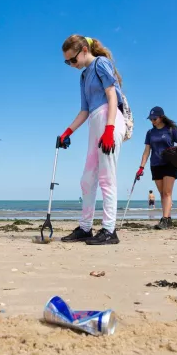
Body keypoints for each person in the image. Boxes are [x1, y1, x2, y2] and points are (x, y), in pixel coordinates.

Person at [59, 35, 127, 245]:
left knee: (107, 177)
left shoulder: (101, 63)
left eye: (72, 60)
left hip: (110, 119)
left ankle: (109, 230)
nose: (71, 65)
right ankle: (85, 228)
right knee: (87, 180)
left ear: (84, 51)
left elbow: (112, 95)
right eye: (67, 62)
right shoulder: (83, 76)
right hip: (95, 122)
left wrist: (109, 129)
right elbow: (84, 110)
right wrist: (67, 132)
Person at [136, 106, 177, 229]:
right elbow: (147, 151)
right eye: (151, 119)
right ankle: (168, 219)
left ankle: (164, 219)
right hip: (155, 165)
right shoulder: (150, 133)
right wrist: (141, 167)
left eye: (154, 118)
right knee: (162, 193)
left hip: (169, 163)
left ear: (161, 117)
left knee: (167, 192)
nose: (152, 121)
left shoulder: (171, 129)